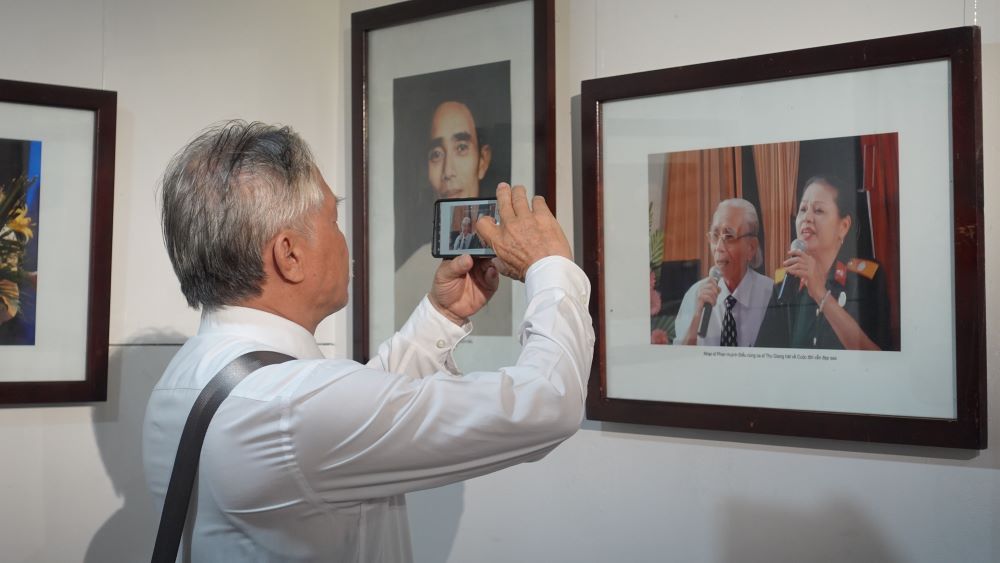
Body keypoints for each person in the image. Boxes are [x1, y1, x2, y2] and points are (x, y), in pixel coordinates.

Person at [143, 121, 593, 562]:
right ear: (290, 255)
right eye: (333, 219)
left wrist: (442, 316)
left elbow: (344, 425)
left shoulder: (185, 378)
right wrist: (551, 269)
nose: (344, 239)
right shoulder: (291, 406)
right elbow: (547, 405)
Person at [395, 100, 511, 335]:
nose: (448, 171)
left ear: (483, 161)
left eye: (461, 147)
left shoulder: (518, 268)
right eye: (436, 154)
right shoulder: (406, 277)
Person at [755, 176, 890, 350]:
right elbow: (767, 352)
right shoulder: (785, 281)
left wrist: (819, 292)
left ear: (844, 226)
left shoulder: (865, 279)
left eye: (818, 210)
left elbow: (879, 356)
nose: (807, 217)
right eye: (803, 209)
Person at [674, 199, 772, 347]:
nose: (718, 247)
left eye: (729, 236)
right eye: (715, 236)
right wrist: (697, 315)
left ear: (751, 248)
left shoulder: (770, 294)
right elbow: (679, 363)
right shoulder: (694, 294)